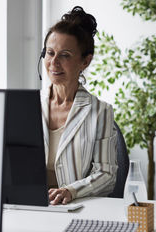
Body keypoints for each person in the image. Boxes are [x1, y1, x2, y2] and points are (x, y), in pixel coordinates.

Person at [40, 6, 117, 205]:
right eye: (50, 53)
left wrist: (70, 191)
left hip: (74, 207)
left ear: (85, 61)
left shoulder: (100, 112)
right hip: (29, 206)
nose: (54, 63)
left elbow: (106, 175)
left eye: (65, 55)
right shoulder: (27, 107)